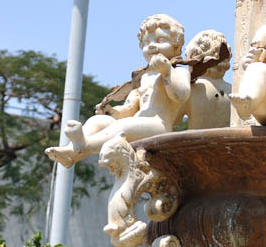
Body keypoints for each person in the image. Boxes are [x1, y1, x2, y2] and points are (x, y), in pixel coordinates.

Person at [45, 14, 190, 167]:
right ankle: (71, 151)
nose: (152, 46)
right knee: (98, 121)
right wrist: (113, 112)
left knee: (123, 126)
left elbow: (181, 96)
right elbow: (130, 108)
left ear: (176, 46)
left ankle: (84, 144)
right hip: (136, 122)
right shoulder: (144, 78)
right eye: (147, 42)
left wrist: (166, 72)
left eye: (160, 41)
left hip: (158, 126)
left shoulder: (178, 72)